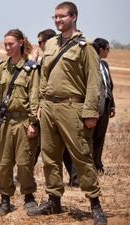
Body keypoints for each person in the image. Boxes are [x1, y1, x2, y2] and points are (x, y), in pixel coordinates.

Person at [27, 2, 107, 225]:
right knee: (50, 157)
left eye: (62, 16)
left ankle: (95, 204)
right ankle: (54, 200)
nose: (58, 20)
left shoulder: (85, 46)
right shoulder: (50, 44)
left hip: (73, 108)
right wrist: (40, 103)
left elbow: (94, 82)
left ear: (74, 17)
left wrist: (91, 112)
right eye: (55, 17)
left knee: (82, 157)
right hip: (49, 108)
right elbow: (43, 76)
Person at [0, 29, 39, 216]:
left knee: (25, 163)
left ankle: (29, 197)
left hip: (24, 121)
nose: (7, 47)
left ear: (21, 43)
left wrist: (33, 122)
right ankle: (5, 199)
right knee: (5, 163)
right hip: (5, 123)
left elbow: (34, 97)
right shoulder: (1, 68)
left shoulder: (31, 68)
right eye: (5, 44)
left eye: (11, 44)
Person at [34, 28, 79, 187]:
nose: (38, 45)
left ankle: (76, 178)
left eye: (40, 42)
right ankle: (74, 178)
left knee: (45, 146)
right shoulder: (43, 58)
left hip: (57, 106)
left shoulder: (50, 59)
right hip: (46, 106)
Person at [92, 38, 115, 174]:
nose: (109, 51)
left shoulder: (105, 64)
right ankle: (89, 166)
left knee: (100, 136)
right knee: (90, 136)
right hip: (94, 106)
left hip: (105, 105)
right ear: (101, 49)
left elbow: (109, 86)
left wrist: (112, 105)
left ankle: (98, 164)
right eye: (107, 49)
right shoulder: (91, 64)